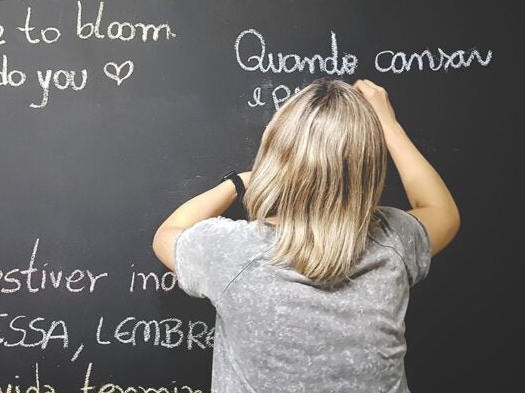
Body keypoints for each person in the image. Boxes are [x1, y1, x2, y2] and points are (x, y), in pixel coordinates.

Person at [152, 78, 460, 393]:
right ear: (368, 166)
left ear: (273, 153)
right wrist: (389, 125)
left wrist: (237, 183)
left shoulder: (234, 251)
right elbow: (440, 210)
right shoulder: (392, 241)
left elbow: (167, 234)